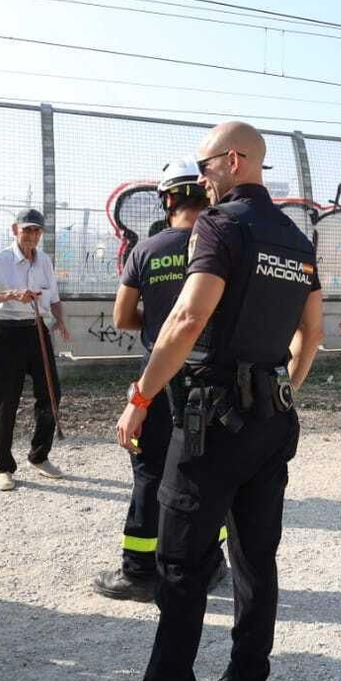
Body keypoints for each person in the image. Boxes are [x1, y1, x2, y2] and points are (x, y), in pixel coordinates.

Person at [95, 121, 323, 681]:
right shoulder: (296, 239)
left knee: (181, 564)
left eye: (205, 165)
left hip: (210, 422)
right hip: (271, 420)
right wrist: (283, 385)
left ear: (233, 159)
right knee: (256, 557)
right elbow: (313, 332)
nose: (201, 178)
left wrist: (140, 398)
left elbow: (189, 317)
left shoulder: (220, 227)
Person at [93, 160, 227, 603]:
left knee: (150, 471)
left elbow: (122, 317)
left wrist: (161, 318)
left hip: (161, 377)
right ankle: (210, 565)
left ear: (167, 200)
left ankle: (139, 571)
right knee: (208, 472)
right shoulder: (222, 246)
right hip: (214, 381)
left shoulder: (147, 250)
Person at [0, 209, 73, 490]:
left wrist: (61, 321)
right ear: (15, 230)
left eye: (37, 231)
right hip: (6, 333)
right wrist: (10, 294)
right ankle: (3, 468)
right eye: (27, 230)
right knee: (7, 401)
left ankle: (39, 456)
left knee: (51, 395)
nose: (32, 236)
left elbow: (54, 299)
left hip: (37, 331)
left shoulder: (45, 261)